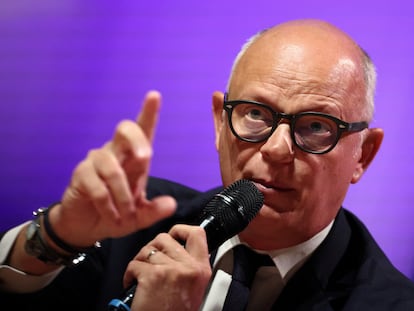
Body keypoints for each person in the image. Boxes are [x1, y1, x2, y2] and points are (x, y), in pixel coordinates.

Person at [0, 18, 413, 311]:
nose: (276, 149)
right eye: (255, 113)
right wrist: (58, 234)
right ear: (220, 122)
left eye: (317, 126)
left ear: (363, 154)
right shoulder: (129, 220)